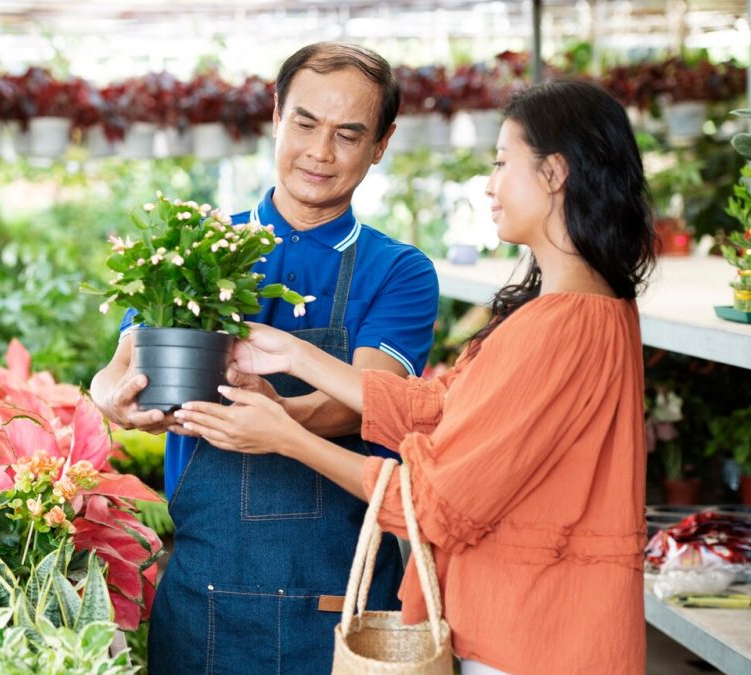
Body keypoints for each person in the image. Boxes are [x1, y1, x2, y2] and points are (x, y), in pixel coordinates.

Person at [175, 78, 656, 675]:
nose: (490, 183)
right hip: (536, 627)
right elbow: (442, 405)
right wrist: (293, 355)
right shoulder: (587, 309)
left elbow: (435, 505)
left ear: (555, 173)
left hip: (533, 637)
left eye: (503, 162)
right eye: (304, 124)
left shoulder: (560, 324)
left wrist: (287, 438)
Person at [90, 42, 439, 673]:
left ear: (381, 143)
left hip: (342, 607)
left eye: (348, 134)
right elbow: (124, 363)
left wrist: (282, 421)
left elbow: (371, 401)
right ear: (276, 115)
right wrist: (110, 397)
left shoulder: (399, 270)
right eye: (305, 123)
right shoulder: (198, 247)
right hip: (204, 602)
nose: (320, 152)